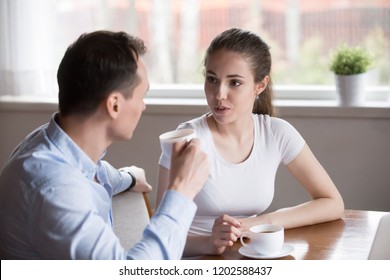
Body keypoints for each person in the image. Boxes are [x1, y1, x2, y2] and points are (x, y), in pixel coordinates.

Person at [0, 31, 209, 260]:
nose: (143, 107)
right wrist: (181, 190)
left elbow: (93, 172)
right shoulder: (54, 188)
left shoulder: (53, 141)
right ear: (115, 105)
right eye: (142, 96)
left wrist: (129, 177)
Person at [156, 28, 344, 257]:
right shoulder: (186, 139)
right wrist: (208, 242)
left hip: (247, 257)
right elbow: (160, 234)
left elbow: (332, 203)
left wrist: (260, 223)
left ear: (260, 85)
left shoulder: (277, 133)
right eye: (212, 79)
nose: (219, 94)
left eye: (234, 83)